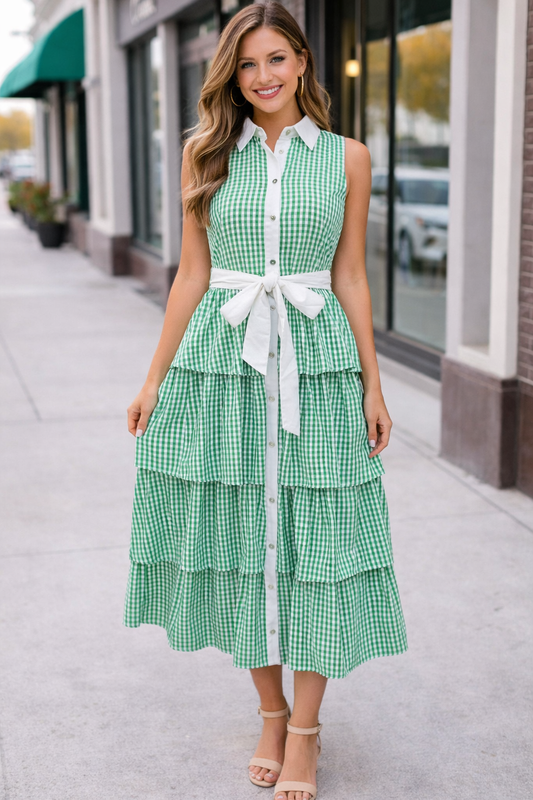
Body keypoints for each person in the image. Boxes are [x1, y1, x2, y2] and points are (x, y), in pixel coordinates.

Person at [124, 3, 408, 799]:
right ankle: (270, 713)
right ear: (230, 75)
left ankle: (308, 734)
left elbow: (350, 275)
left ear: (304, 61)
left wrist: (372, 385)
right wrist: (153, 378)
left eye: (276, 59)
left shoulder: (348, 158)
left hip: (315, 366)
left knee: (317, 544)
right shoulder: (204, 154)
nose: (263, 77)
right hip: (224, 363)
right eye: (246, 65)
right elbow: (190, 275)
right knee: (244, 541)